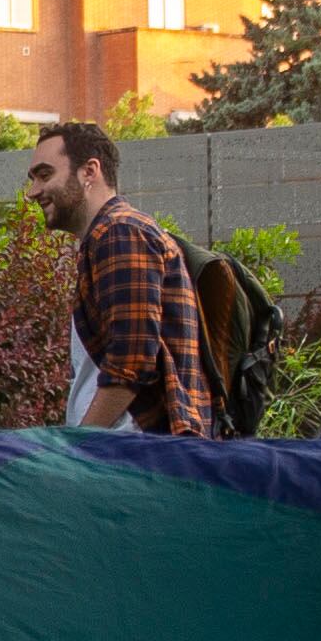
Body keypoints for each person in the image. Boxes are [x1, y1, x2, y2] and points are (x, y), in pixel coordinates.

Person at [24, 121, 211, 438]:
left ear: (89, 171)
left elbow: (132, 361)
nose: (33, 192)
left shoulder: (119, 232)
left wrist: (81, 443)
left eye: (45, 175)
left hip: (133, 452)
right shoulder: (105, 238)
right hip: (121, 449)